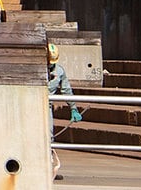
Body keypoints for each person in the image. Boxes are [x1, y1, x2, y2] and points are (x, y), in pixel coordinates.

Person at [46, 41, 81, 181]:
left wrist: (73, 108)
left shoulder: (59, 71)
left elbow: (66, 90)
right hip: (31, 103)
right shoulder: (36, 70)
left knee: (48, 136)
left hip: (47, 106)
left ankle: (48, 168)